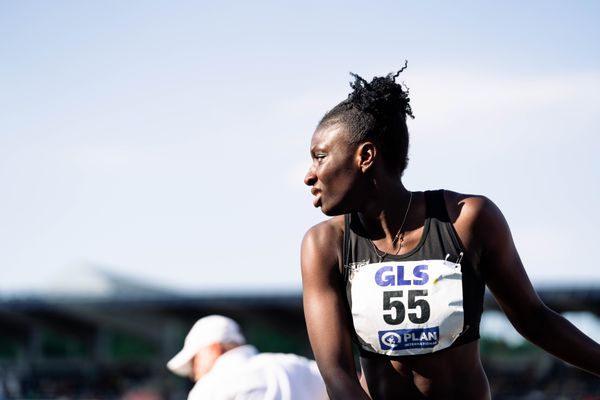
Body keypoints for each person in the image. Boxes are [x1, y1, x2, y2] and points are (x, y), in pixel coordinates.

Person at [300, 63, 600, 399]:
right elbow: (337, 374)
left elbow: (533, 319)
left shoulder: (468, 220)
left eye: (320, 157)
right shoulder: (324, 245)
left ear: (366, 156)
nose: (309, 175)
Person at [166, 314, 327, 400]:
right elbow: (347, 380)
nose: (194, 373)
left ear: (214, 349)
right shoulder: (295, 365)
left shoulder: (209, 386)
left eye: (194, 360)